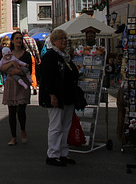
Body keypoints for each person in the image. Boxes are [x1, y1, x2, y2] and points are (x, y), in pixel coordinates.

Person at [39, 29, 79, 167]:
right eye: (61, 38)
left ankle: (63, 152)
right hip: (56, 96)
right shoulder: (50, 56)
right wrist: (51, 95)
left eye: (65, 38)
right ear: (54, 41)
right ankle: (53, 154)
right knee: (55, 126)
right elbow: (47, 78)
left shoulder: (65, 56)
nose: (64, 40)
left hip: (67, 95)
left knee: (66, 126)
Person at [0, 31, 32, 146]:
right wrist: (11, 64)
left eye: (20, 38)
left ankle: (23, 129)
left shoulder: (26, 55)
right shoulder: (8, 53)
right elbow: (1, 66)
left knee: (21, 110)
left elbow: (29, 70)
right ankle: (13, 136)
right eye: (16, 38)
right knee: (12, 111)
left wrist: (17, 71)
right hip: (11, 84)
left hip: (22, 83)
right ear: (12, 41)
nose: (19, 41)